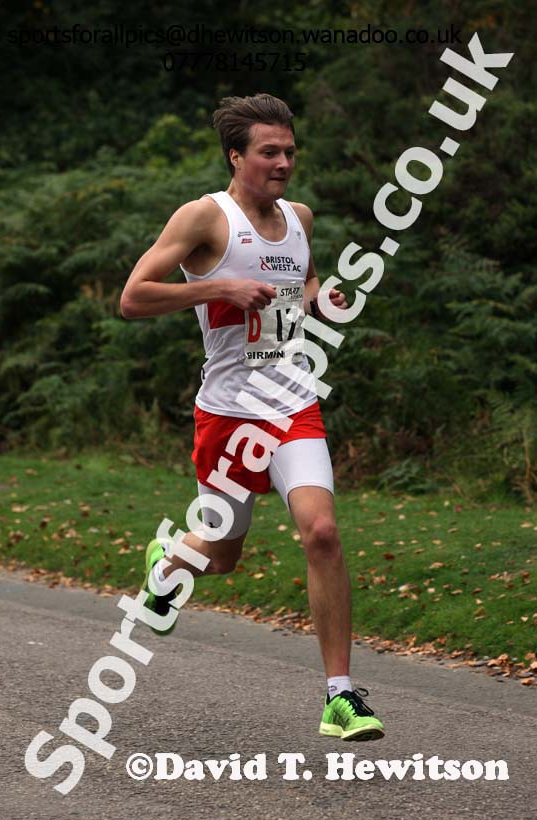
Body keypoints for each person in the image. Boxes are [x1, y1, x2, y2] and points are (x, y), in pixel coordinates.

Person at [120, 93, 384, 742]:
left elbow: (304, 282)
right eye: (269, 151)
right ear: (236, 157)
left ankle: (340, 695)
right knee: (222, 557)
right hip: (228, 418)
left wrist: (326, 298)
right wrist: (218, 287)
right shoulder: (204, 220)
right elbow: (133, 297)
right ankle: (170, 559)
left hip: (292, 404)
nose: (284, 162)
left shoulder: (300, 217)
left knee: (320, 532)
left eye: (290, 151)